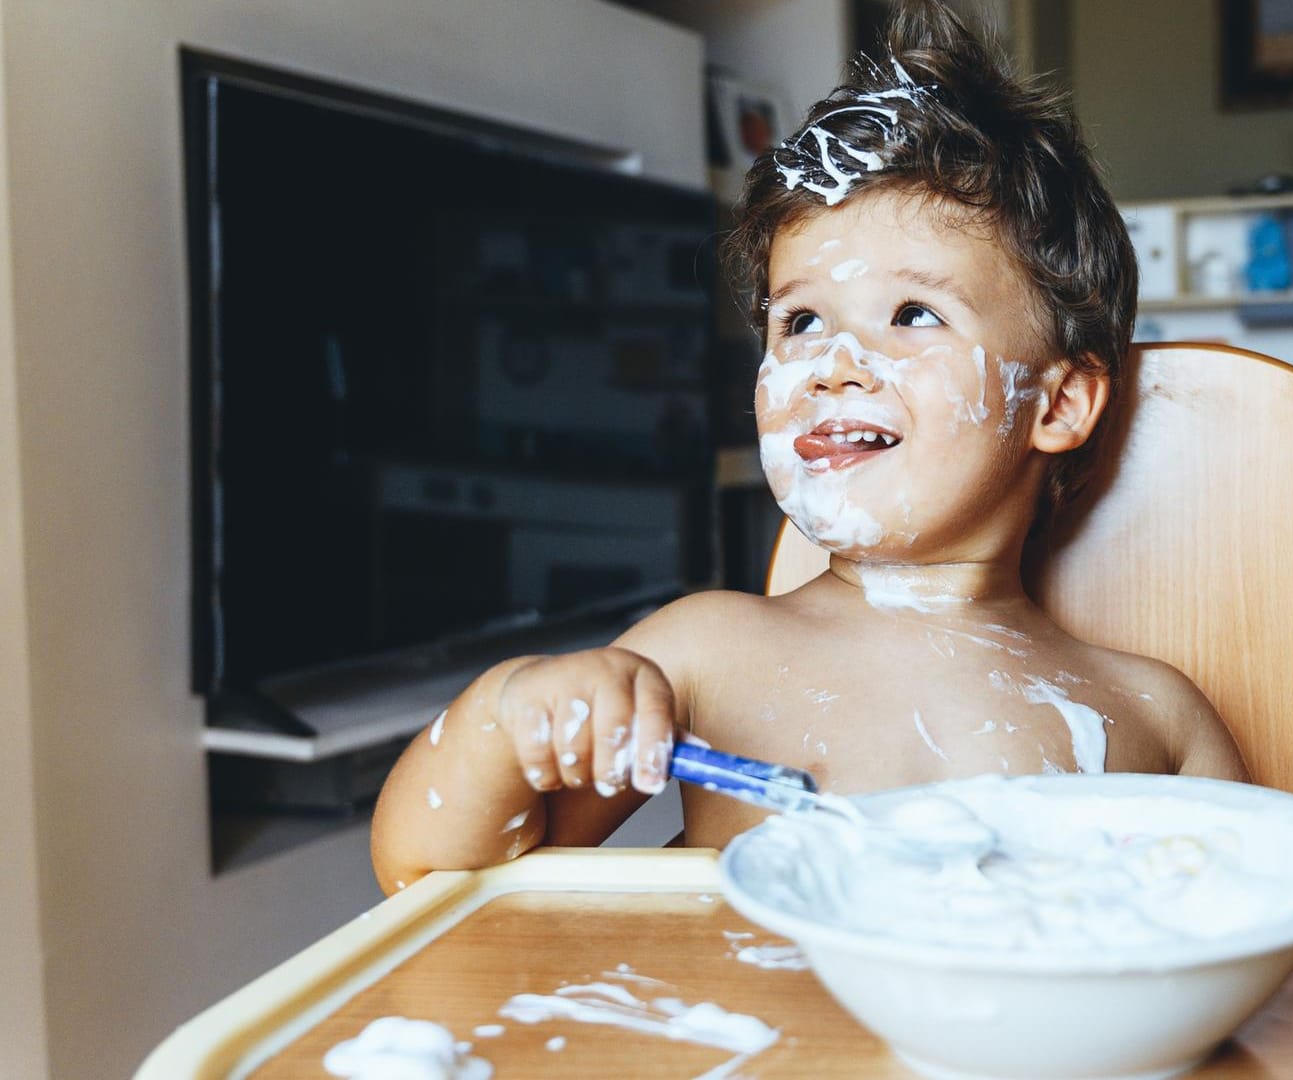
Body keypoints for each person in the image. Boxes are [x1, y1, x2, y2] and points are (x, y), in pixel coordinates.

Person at [368, 0, 1247, 894]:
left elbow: (1250, 943)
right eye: (799, 321)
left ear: (1055, 403)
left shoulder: (1155, 720)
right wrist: (511, 713)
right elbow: (432, 873)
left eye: (912, 314)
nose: (832, 366)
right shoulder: (709, 655)